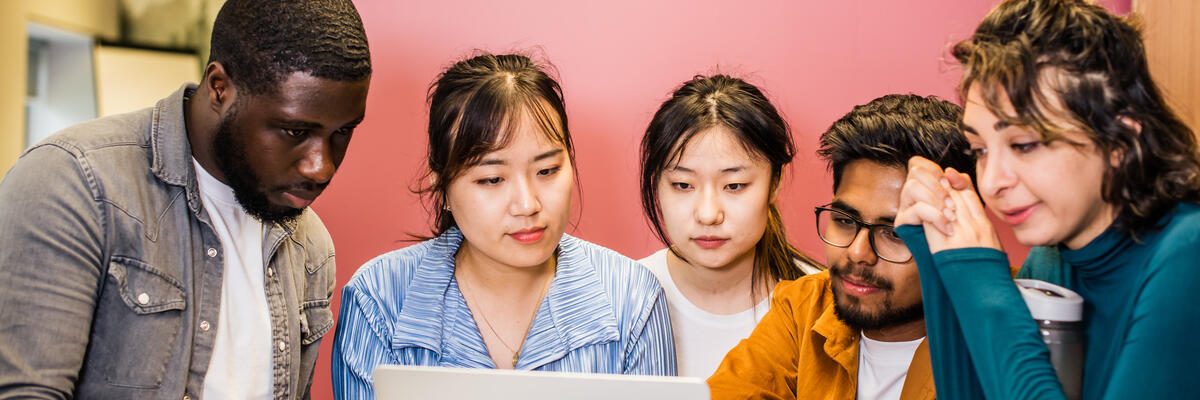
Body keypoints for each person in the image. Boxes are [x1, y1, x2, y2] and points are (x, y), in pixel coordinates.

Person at [0, 1, 371, 398]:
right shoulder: (76, 183)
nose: (322, 167)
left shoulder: (310, 245)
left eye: (342, 132)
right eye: (295, 131)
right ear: (219, 88)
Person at [895, 0, 1200, 399]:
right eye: (980, 150)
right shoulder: (1050, 260)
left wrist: (982, 281)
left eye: (1023, 144)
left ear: (1119, 142)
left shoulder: (1187, 253)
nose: (991, 184)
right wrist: (937, 257)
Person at [331, 53, 676, 399]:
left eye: (547, 171)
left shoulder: (632, 297)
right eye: (493, 179)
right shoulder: (378, 299)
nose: (528, 205)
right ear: (444, 187)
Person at [707, 94, 973, 400]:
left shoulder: (1007, 321)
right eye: (845, 220)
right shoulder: (806, 307)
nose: (858, 253)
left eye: (895, 233)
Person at [637, 74, 822, 378]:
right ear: (657, 184)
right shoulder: (623, 298)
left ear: (774, 182)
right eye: (683, 185)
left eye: (734, 186)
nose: (708, 214)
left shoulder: (821, 305)